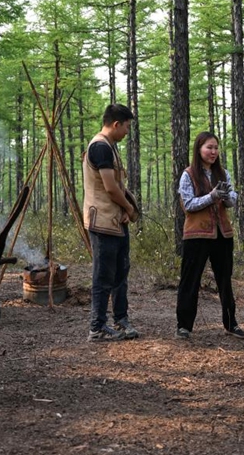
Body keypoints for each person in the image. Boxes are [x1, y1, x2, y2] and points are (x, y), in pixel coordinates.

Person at [175, 131, 244, 340]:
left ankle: (231, 323)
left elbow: (232, 200)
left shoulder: (224, 173)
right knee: (190, 280)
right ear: (199, 149)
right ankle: (184, 326)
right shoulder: (188, 174)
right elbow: (188, 205)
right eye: (209, 147)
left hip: (222, 234)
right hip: (196, 234)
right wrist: (211, 196)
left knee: (225, 280)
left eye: (216, 148)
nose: (213, 152)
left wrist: (227, 197)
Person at [83, 103, 139, 342]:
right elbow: (110, 188)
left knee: (120, 273)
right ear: (116, 124)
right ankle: (97, 327)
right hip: (103, 222)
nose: (127, 132)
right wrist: (128, 207)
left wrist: (127, 211)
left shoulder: (111, 147)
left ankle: (120, 319)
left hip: (116, 222)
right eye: (126, 127)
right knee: (103, 276)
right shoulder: (100, 147)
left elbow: (119, 186)